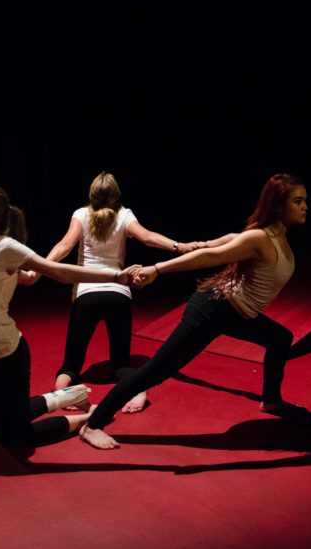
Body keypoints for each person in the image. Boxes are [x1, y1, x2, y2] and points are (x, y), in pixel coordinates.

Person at [79, 173, 308, 450]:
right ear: (279, 206)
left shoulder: (272, 236)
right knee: (156, 371)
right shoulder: (260, 238)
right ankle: (93, 424)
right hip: (212, 309)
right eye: (298, 201)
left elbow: (220, 243)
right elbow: (209, 257)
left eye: (304, 200)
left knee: (280, 338)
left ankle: (271, 400)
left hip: (239, 313)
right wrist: (157, 269)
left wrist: (207, 242)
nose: (304, 206)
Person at [0, 180, 139, 448]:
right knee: (4, 424)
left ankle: (91, 417)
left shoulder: (5, 248)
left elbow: (61, 272)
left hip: (5, 352)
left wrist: (114, 276)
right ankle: (68, 396)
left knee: (16, 437)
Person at [29, 171, 202, 414]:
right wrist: (179, 246)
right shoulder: (124, 215)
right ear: (116, 195)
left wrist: (39, 269)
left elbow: (65, 245)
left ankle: (61, 392)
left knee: (70, 366)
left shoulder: (80, 214)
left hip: (86, 294)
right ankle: (139, 390)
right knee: (121, 364)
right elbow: (148, 237)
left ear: (92, 194)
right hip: (118, 295)